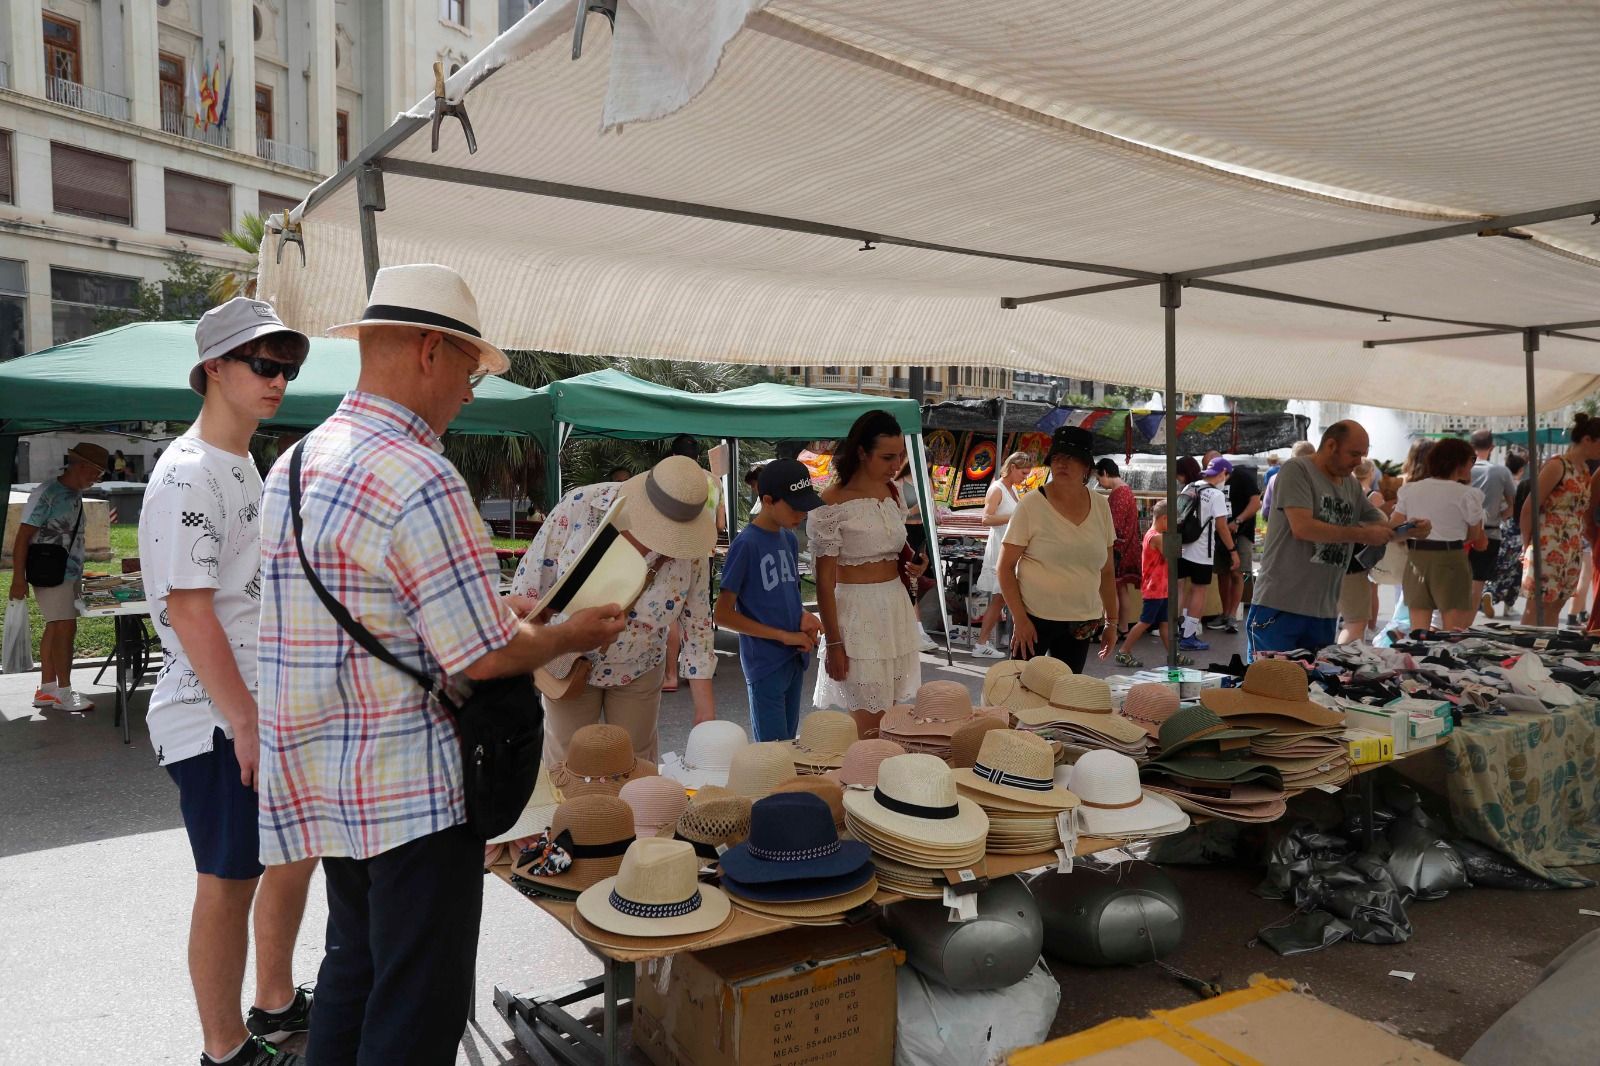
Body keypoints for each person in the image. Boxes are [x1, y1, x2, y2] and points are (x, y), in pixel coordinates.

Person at [256, 264, 626, 1065]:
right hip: (413, 792)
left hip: (329, 781)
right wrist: (568, 635)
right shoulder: (421, 474)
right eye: (469, 368)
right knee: (418, 1005)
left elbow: (374, 612)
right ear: (430, 350)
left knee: (352, 971)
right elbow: (483, 652)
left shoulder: (296, 463)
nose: (469, 391)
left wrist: (507, 616)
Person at [139, 299, 317, 1066]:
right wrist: (243, 719)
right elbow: (189, 611)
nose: (278, 380)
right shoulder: (188, 472)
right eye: (263, 364)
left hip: (250, 702)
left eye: (288, 368)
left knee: (288, 854)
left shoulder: (240, 460)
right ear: (214, 367)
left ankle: (273, 1002)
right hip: (211, 711)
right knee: (228, 877)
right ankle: (224, 1048)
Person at [514, 453, 719, 759]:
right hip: (566, 660)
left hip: (640, 666)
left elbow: (698, 621)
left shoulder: (690, 545)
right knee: (571, 763)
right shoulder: (582, 506)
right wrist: (520, 661)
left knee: (634, 765)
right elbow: (529, 588)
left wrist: (705, 711)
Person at [1248, 421, 1406, 658]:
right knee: (1269, 684)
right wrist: (1362, 534)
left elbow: (1381, 526)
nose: (1358, 462)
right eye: (1354, 454)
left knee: (1314, 688)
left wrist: (1411, 530)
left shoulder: (1350, 484)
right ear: (1331, 445)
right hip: (1280, 605)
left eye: (1362, 455)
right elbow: (1302, 527)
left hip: (1324, 611)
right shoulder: (1296, 470)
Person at [810, 410, 926, 710]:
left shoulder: (893, 493)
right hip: (856, 614)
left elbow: (895, 549)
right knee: (868, 719)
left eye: (900, 456)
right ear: (862, 452)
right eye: (887, 457)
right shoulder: (831, 503)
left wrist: (915, 563)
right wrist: (834, 643)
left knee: (893, 716)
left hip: (895, 607)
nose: (896, 465)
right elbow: (823, 582)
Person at [714, 459, 824, 740]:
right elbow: (723, 614)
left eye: (805, 507)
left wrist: (802, 616)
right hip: (765, 662)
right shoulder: (746, 544)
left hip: (794, 657)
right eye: (794, 506)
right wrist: (781, 636)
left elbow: (785, 594)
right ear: (767, 500)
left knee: (788, 744)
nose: (801, 514)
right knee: (772, 754)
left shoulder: (788, 540)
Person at [997, 425, 1117, 672]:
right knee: (1020, 695)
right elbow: (1005, 568)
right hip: (1033, 618)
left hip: (1082, 621)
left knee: (1066, 695)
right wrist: (1020, 619)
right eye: (1058, 458)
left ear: (1086, 467)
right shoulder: (1031, 505)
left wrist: (1112, 622)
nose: (1063, 464)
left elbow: (1107, 571)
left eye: (1072, 458)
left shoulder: (1101, 506)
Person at [11, 441, 106, 711]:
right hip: (50, 572)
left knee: (57, 626)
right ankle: (64, 693)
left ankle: (48, 689)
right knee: (64, 627)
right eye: (96, 473)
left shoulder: (73, 493)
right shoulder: (48, 492)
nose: (97, 479)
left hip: (67, 571)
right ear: (82, 466)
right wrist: (18, 579)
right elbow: (22, 537)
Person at [1392, 438, 1487, 631]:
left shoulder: (1410, 490)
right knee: (1452, 630)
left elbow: (1393, 527)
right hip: (1451, 557)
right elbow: (1474, 535)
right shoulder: (1468, 494)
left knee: (1418, 631)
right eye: (1472, 459)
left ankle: (1420, 660)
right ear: (1459, 462)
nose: (1473, 464)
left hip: (1417, 557)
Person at [661, 433, 724, 705]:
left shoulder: (668, 476)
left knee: (672, 614)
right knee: (699, 614)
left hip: (674, 551)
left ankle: (671, 674)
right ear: (698, 457)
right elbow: (720, 524)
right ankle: (697, 671)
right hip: (703, 551)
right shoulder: (713, 481)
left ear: (674, 456)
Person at [1520, 415, 1600, 626]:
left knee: (1556, 605)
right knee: (1537, 606)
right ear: (1587, 440)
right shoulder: (1557, 466)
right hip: (1547, 544)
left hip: (1571, 545)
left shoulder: (1583, 470)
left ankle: (1544, 652)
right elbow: (1530, 507)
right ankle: (1526, 653)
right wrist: (1526, 544)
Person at [1110, 501, 1190, 667]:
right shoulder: (1157, 537)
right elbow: (1173, 558)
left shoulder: (1151, 534)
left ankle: (1173, 654)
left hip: (1161, 588)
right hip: (1155, 589)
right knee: (1145, 621)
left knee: (1164, 623)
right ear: (1164, 519)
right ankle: (1124, 651)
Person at [971, 452, 1031, 658]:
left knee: (1002, 598)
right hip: (1000, 547)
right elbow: (986, 519)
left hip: (1010, 546)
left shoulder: (1011, 489)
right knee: (1000, 598)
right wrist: (1015, 515)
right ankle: (982, 642)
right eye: (1023, 472)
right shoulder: (997, 489)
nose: (1025, 477)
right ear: (1013, 467)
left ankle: (994, 639)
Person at [1176, 457, 1236, 652]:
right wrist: (1233, 551)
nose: (1226, 479)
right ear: (1221, 474)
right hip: (1201, 551)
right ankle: (1189, 636)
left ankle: (1179, 630)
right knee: (1198, 590)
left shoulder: (1190, 487)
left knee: (1180, 589)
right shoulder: (1216, 495)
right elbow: (1221, 526)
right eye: (1226, 475)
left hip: (1182, 547)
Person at [1204, 451, 1261, 635]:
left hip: (1241, 533)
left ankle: (1232, 615)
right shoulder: (1210, 483)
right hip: (1219, 533)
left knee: (1237, 572)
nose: (1209, 474)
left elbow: (1255, 502)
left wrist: (1238, 521)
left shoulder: (1242, 476)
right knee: (1222, 573)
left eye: (1212, 469)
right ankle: (1224, 612)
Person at [1468, 429, 1517, 619]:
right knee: (1477, 583)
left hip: (1460, 533)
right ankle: (1466, 626)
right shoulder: (1501, 472)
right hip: (1490, 533)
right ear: (1492, 447)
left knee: (1456, 583)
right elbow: (1512, 506)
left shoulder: (1462, 469)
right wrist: (1498, 515)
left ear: (1470, 446)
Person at [1336, 458, 1384, 644]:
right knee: (1356, 621)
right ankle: (1343, 660)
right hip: (1354, 562)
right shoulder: (1368, 496)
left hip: (1333, 561)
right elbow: (1380, 524)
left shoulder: (1337, 490)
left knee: (1336, 617)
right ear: (1370, 473)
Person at [1095, 458, 1142, 642]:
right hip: (1127, 547)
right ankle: (1123, 627)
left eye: (1099, 477)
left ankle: (1112, 628)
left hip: (1118, 549)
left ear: (1105, 473)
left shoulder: (1119, 494)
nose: (1098, 482)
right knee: (1121, 589)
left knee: (1111, 589)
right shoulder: (1126, 491)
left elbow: (1115, 526)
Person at [1491, 449, 1529, 615]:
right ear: (1521, 470)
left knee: (1499, 566)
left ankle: (1490, 592)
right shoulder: (1519, 486)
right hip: (1516, 531)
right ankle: (1508, 606)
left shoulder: (1500, 483)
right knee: (1516, 570)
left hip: (1500, 529)